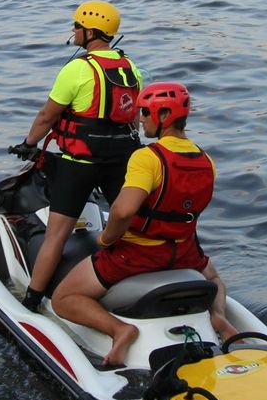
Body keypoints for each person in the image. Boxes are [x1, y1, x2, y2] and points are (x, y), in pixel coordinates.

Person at [51, 82, 237, 366]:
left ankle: (120, 330)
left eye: (145, 112)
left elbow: (123, 211)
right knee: (213, 278)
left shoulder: (147, 158)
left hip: (137, 256)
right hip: (184, 253)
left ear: (163, 115)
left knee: (63, 298)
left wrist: (106, 240)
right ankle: (219, 316)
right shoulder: (206, 160)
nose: (140, 119)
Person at [9, 0, 142, 312]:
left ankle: (31, 301)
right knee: (131, 227)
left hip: (79, 164)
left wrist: (28, 144)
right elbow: (133, 120)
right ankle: (134, 287)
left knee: (56, 236)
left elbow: (47, 116)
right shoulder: (130, 69)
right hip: (121, 163)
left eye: (77, 26)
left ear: (91, 32)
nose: (73, 30)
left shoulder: (78, 69)